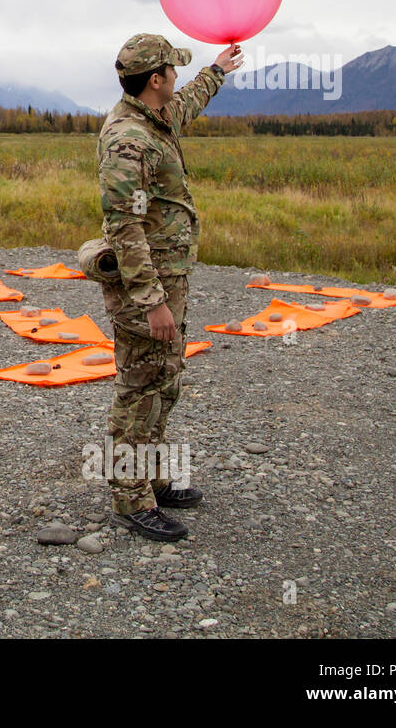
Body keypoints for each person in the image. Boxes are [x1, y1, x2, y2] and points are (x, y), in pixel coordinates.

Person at [96, 33, 242, 541]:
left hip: (168, 279)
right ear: (155, 79)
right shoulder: (128, 139)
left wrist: (217, 69)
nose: (178, 77)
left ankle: (153, 477)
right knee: (140, 386)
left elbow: (186, 106)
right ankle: (130, 498)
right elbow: (123, 225)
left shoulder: (155, 118)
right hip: (147, 286)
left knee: (165, 379)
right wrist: (152, 300)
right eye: (173, 70)